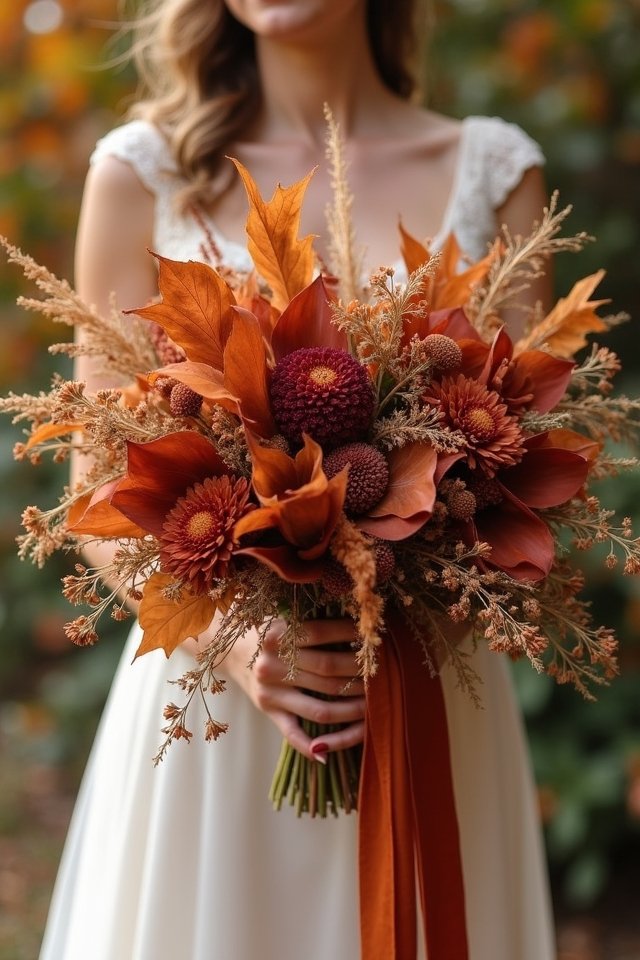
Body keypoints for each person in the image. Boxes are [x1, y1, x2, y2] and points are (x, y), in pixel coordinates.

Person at [39, 1, 557, 957]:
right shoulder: (138, 173)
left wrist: (420, 577)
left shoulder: (496, 171)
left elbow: (524, 459)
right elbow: (98, 492)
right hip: (217, 721)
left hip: (424, 700)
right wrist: (245, 652)